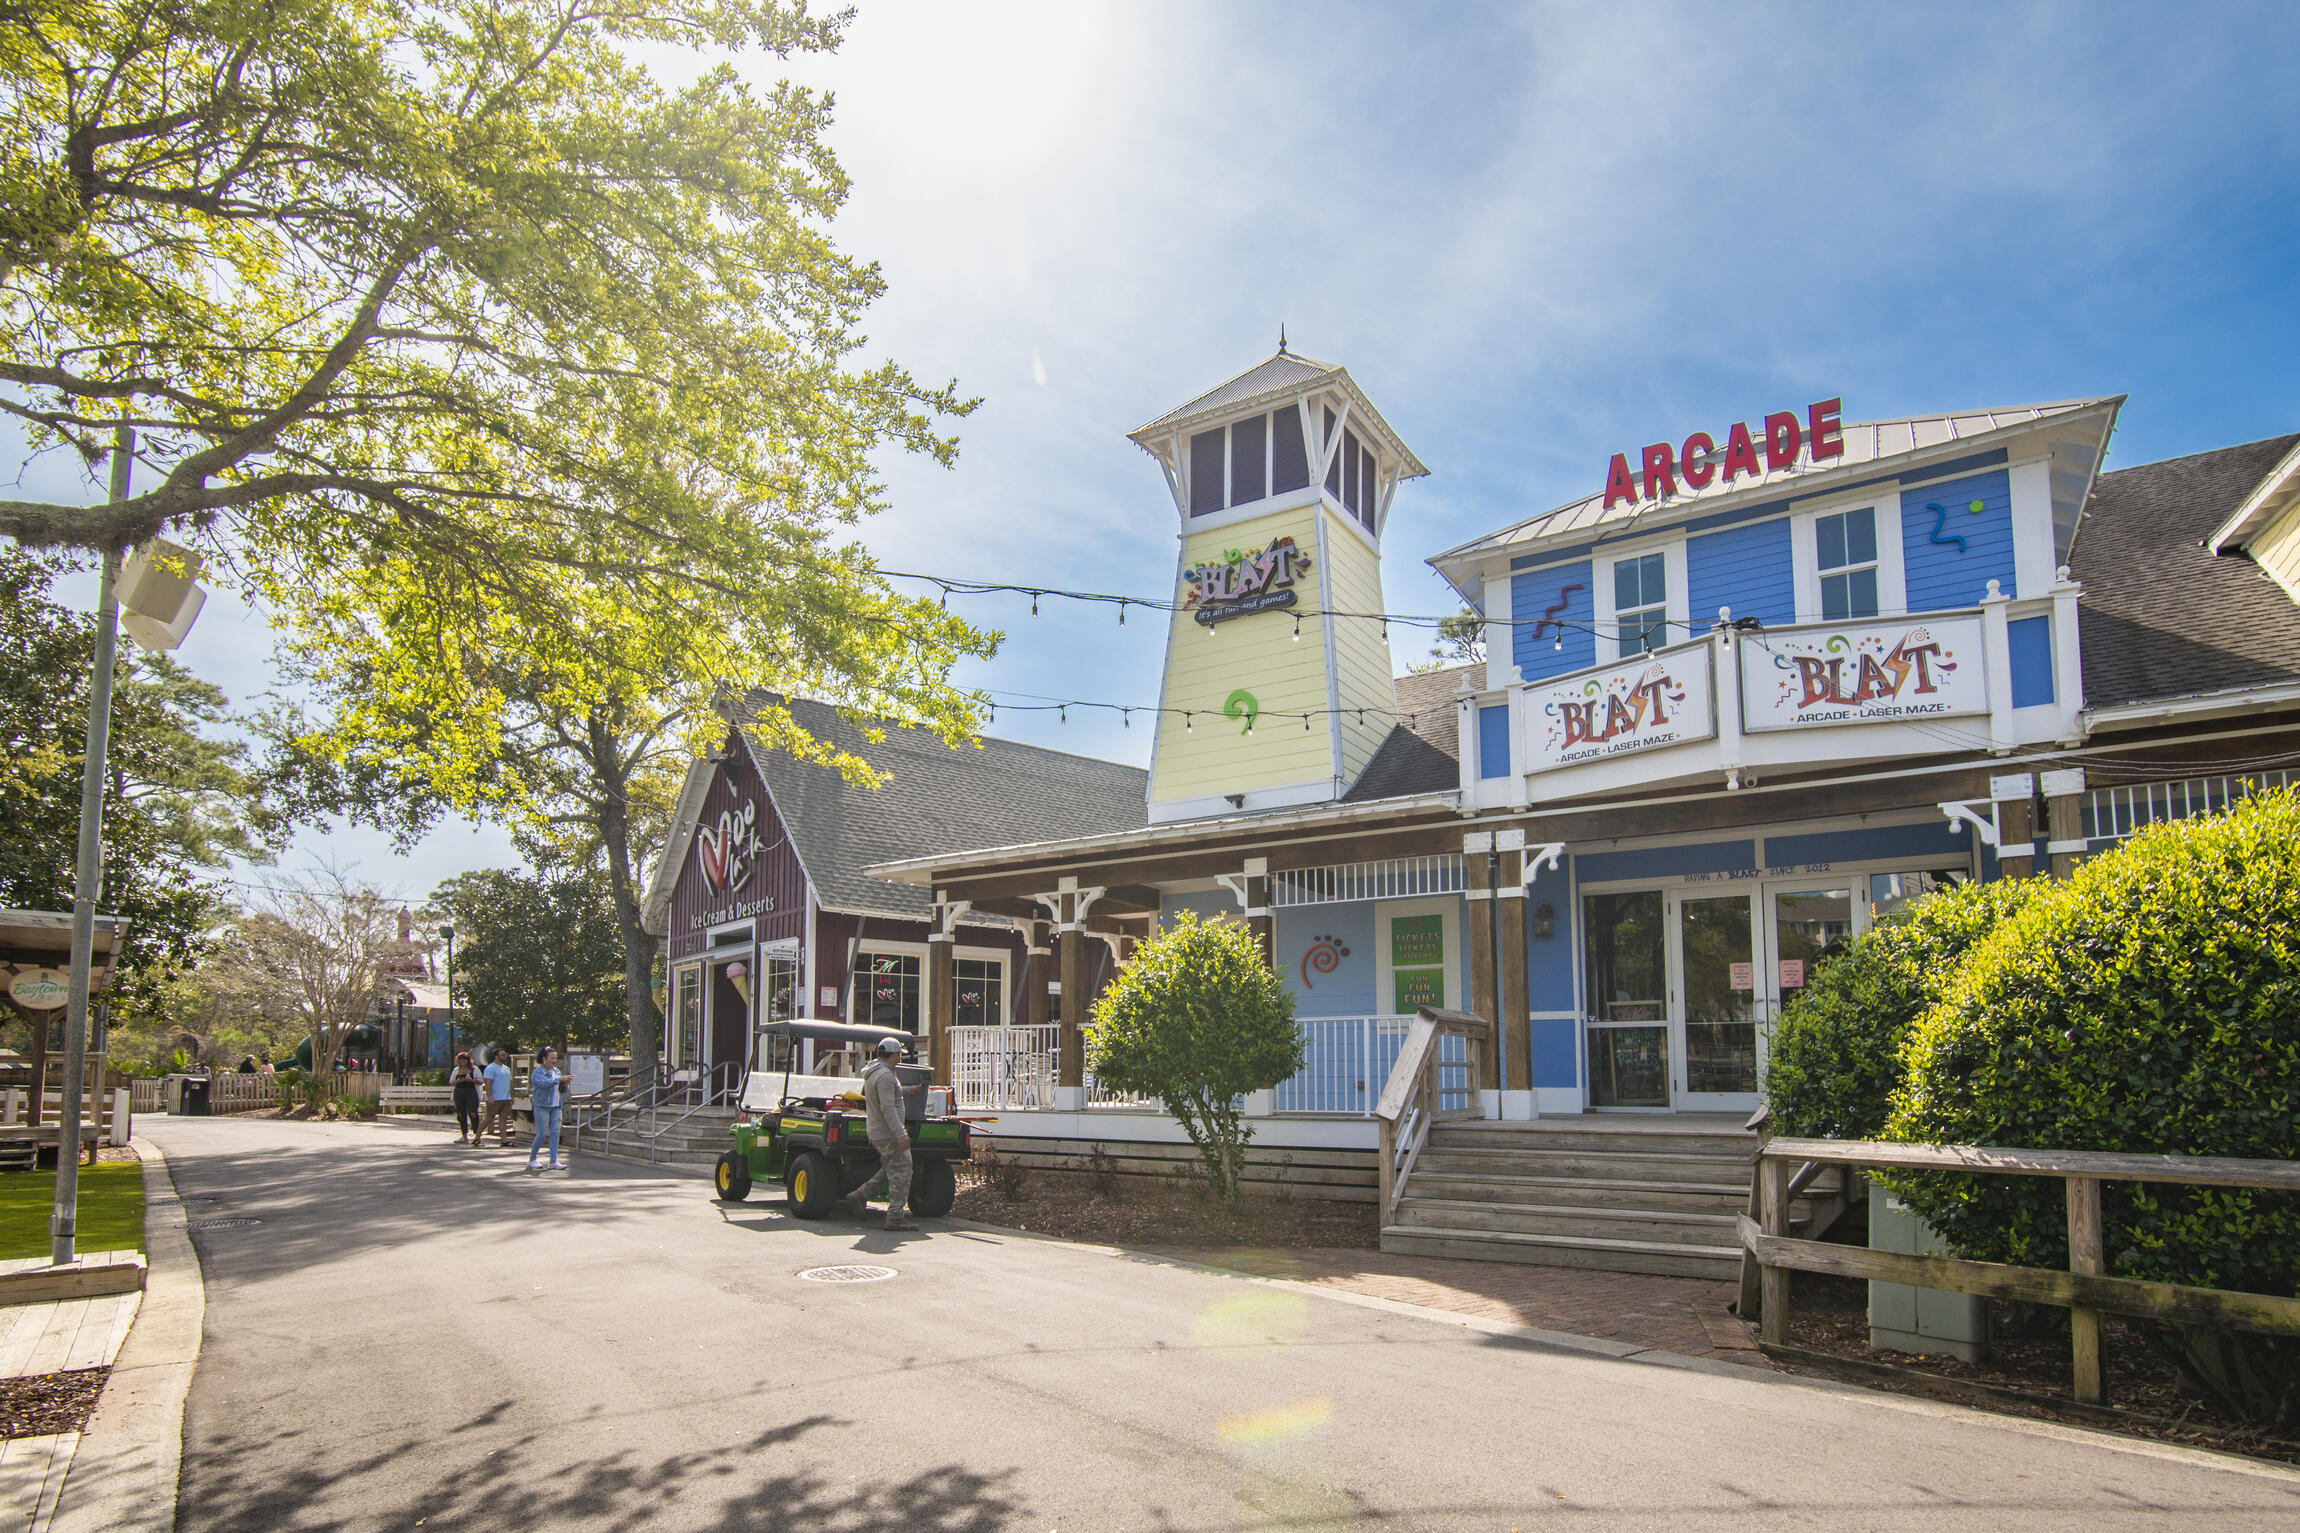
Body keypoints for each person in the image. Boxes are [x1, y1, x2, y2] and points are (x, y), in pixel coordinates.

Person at [847, 1037, 916, 1229]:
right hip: (888, 1133)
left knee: (892, 1168)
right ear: (892, 1054)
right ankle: (895, 1217)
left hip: (878, 1131)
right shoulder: (885, 1075)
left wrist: (910, 1090)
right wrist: (900, 1133)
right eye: (898, 1054)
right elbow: (887, 1107)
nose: (899, 1058)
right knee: (903, 1170)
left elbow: (890, 1094)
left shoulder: (875, 1072)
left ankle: (860, 1195)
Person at [527, 1047, 566, 1170]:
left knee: (555, 1132)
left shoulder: (557, 1071)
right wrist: (559, 1080)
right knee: (542, 1133)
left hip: (556, 1106)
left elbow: (561, 1089)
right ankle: (532, 1159)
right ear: (544, 1058)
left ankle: (553, 1160)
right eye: (551, 1058)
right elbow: (544, 1083)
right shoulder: (538, 1072)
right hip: (541, 1105)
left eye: (555, 1058)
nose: (554, 1061)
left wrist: (564, 1084)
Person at [448, 1051, 483, 1145]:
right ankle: (464, 1136)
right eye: (461, 1061)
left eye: (465, 1060)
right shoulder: (456, 1070)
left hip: (471, 1092)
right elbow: (451, 1082)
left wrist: (471, 1080)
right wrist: (458, 1081)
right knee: (461, 1114)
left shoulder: (474, 1069)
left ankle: (477, 1135)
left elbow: (480, 1081)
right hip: (459, 1092)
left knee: (473, 1113)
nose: (463, 1062)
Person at [481, 1049, 514, 1145]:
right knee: (489, 1118)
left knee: (503, 1118)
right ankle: (477, 1137)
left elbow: (510, 1083)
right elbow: (488, 1083)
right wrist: (489, 1096)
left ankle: (504, 1140)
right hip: (495, 1098)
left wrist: (511, 1096)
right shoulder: (490, 1068)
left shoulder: (507, 1068)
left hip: (506, 1098)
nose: (504, 1056)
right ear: (496, 1056)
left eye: (505, 1054)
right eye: (502, 1055)